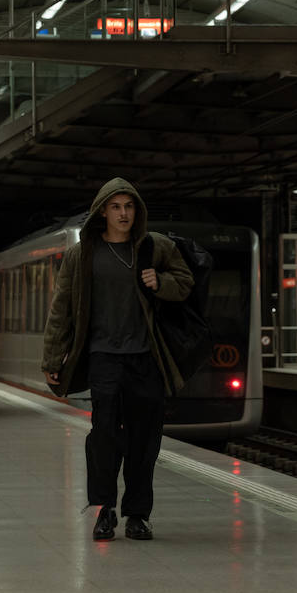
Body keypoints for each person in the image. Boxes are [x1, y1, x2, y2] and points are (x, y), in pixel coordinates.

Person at [42, 178, 194, 541]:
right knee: (104, 437)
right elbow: (61, 308)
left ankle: (138, 515)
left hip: (146, 359)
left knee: (144, 440)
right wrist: (52, 358)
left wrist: (161, 282)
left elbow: (185, 281)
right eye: (116, 207)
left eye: (129, 206)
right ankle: (105, 509)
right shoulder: (83, 254)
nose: (124, 213)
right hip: (104, 358)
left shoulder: (154, 247)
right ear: (103, 212)